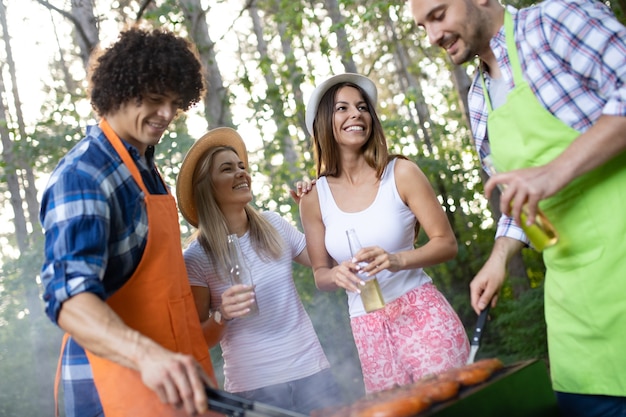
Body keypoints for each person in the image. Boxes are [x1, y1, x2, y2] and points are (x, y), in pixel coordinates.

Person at [409, 0, 626, 415]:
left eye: (438, 15)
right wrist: (499, 255)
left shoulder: (552, 22)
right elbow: (521, 197)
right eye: (423, 27)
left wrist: (555, 171)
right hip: (576, 314)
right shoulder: (477, 100)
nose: (433, 36)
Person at [39, 27, 218, 417]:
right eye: (155, 100)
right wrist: (147, 356)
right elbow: (68, 297)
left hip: (177, 387)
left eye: (174, 102)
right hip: (114, 393)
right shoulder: (84, 174)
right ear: (117, 91)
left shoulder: (144, 167)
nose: (167, 115)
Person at [299, 73, 470, 394]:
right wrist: (336, 275)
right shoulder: (312, 197)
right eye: (342, 108)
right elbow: (320, 274)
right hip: (368, 328)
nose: (356, 114)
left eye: (363, 107)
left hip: (422, 316)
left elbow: (446, 244)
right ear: (324, 122)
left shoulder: (401, 173)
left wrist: (395, 259)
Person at [175, 127, 344, 415]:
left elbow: (329, 263)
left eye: (242, 166)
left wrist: (314, 211)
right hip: (254, 387)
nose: (242, 173)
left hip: (311, 372)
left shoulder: (273, 225)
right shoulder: (197, 258)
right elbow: (200, 339)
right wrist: (222, 314)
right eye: (227, 169)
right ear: (207, 187)